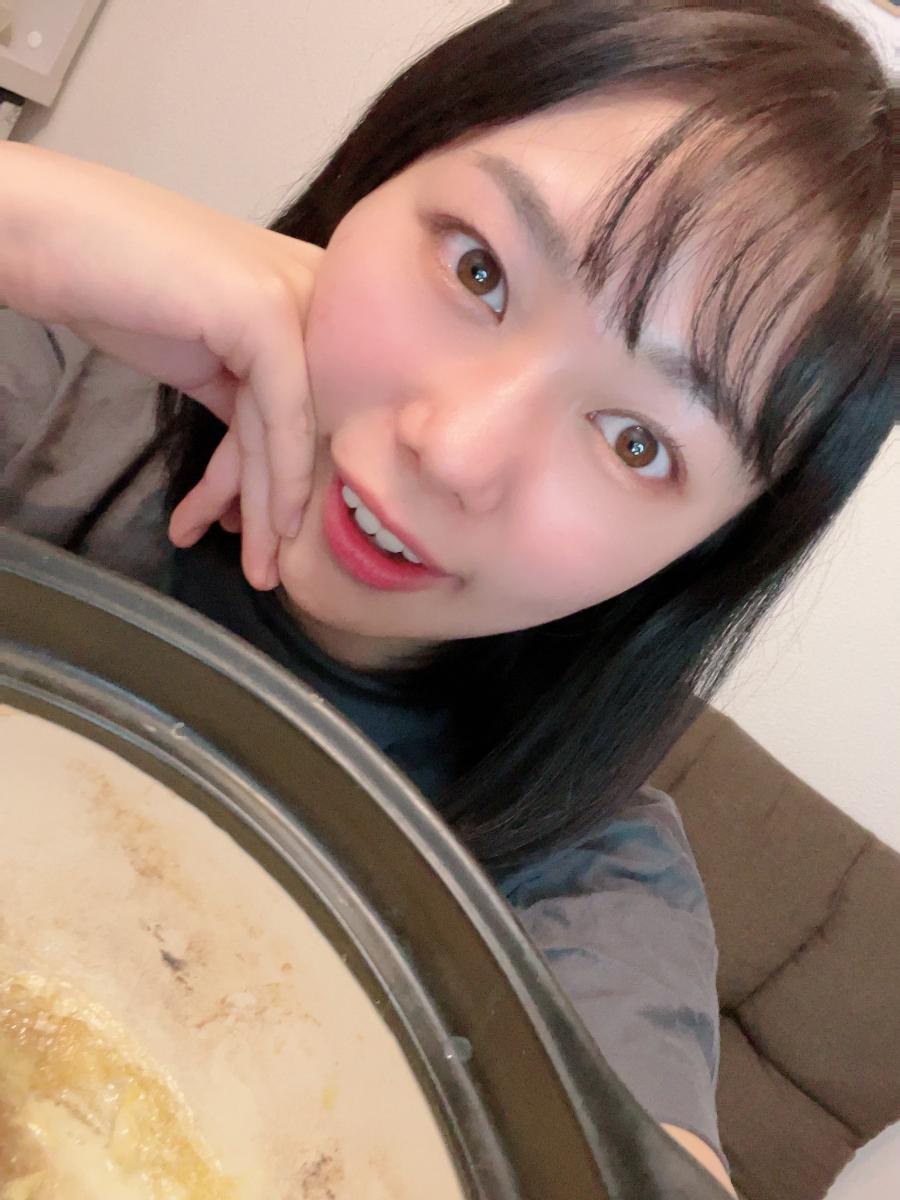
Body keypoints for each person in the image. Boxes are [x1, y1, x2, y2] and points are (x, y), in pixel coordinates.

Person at [0, 0, 893, 1191]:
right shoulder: (47, 382)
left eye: (635, 442)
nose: (456, 448)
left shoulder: (580, 889)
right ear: (384, 165)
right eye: (479, 269)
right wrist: (24, 214)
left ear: (698, 557)